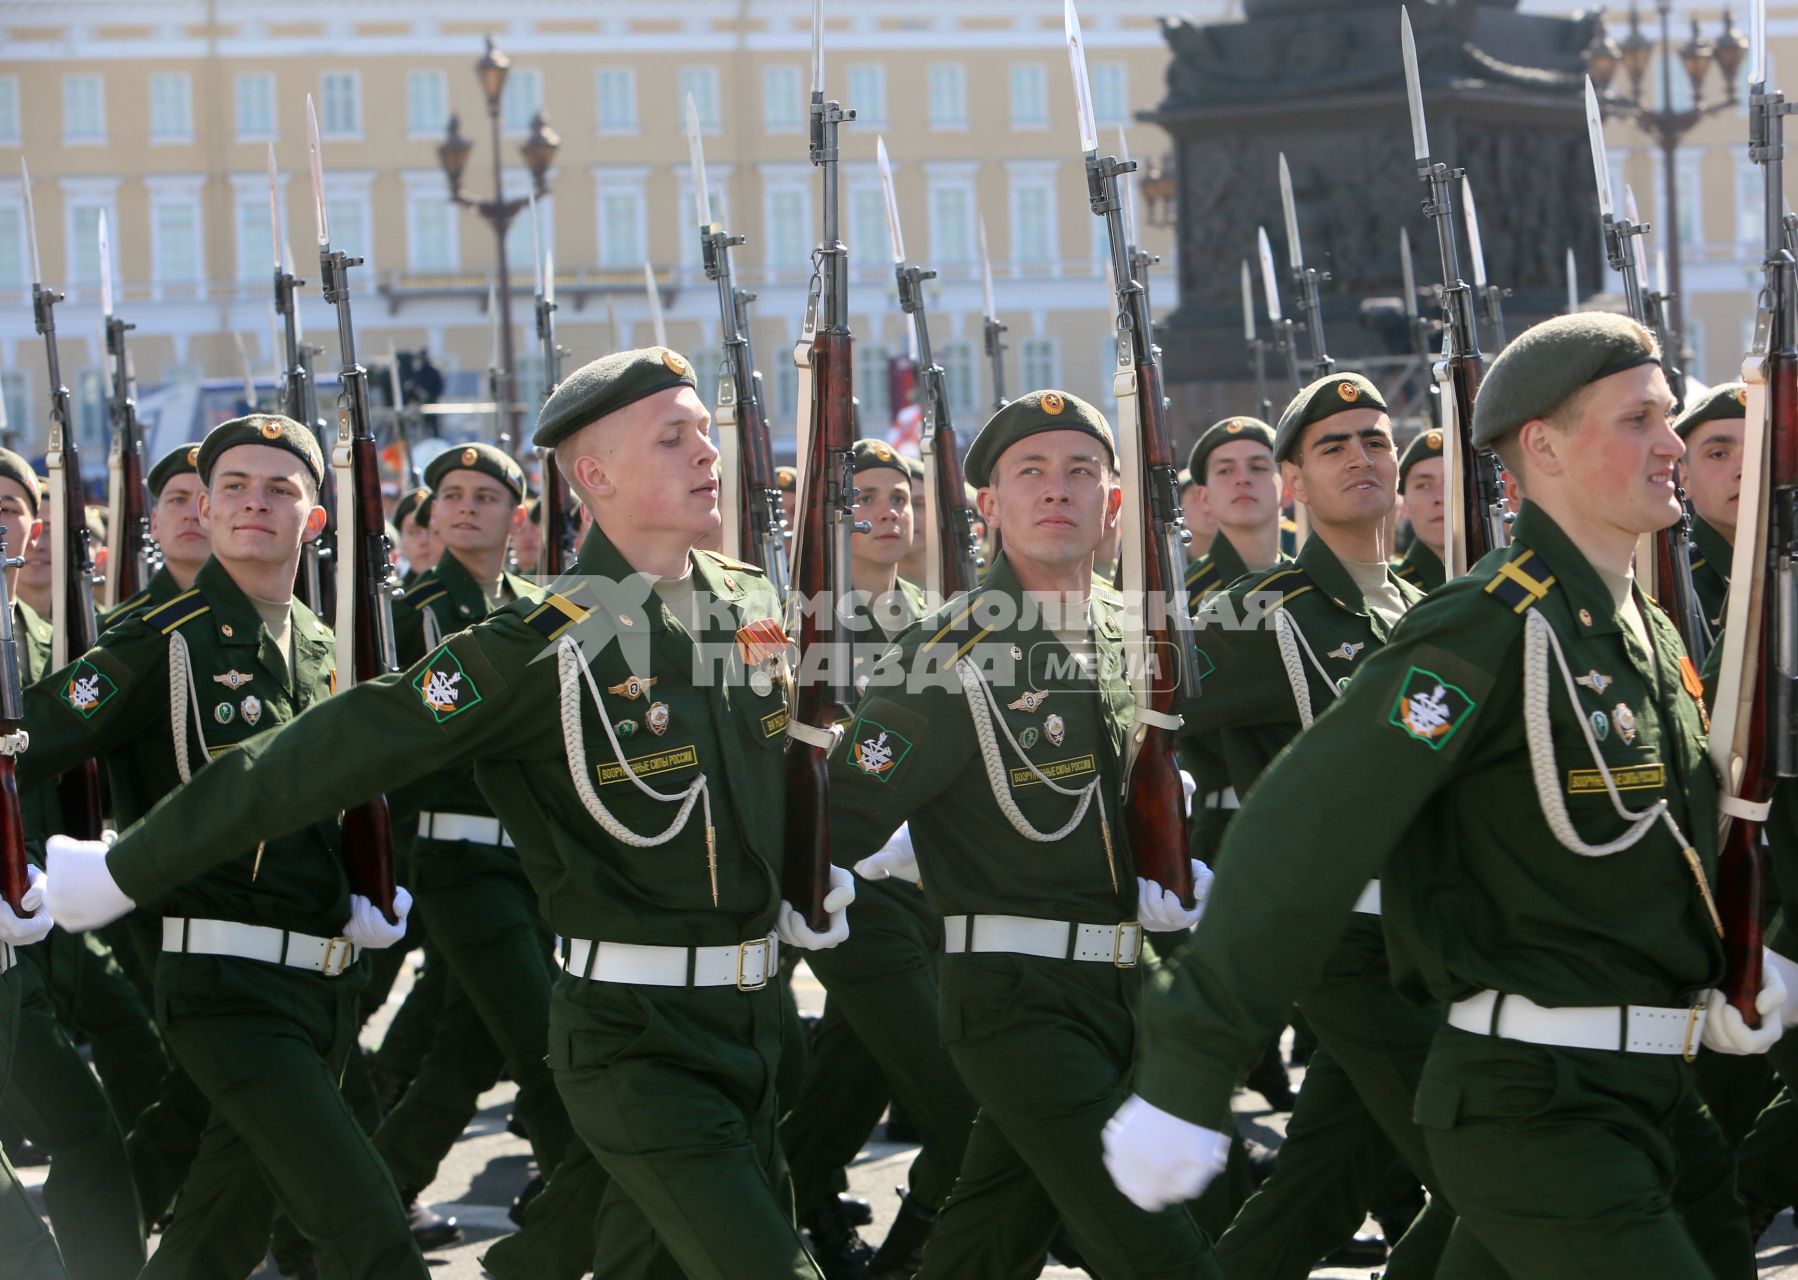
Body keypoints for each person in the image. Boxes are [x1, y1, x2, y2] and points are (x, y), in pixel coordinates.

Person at [47, 351, 854, 1280]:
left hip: (755, 1027)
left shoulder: (747, 600)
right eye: (672, 438)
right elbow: (325, 752)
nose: (706, 454)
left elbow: (789, 761)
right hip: (642, 1041)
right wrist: (124, 867)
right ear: (593, 476)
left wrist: (813, 862)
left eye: (704, 435)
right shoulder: (537, 644)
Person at [1106, 313, 1775, 1279]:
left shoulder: (1648, 639)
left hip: (1657, 1094)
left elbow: (1666, 843)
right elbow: (1309, 828)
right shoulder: (1485, 632)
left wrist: (1743, 955)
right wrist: (1188, 1068)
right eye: (1640, 421)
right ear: (1541, 446)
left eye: (1669, 418)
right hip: (1538, 1102)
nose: (1672, 444)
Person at [827, 389, 1223, 1279]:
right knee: (1162, 1249)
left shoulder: (1130, 629)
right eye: (1031, 473)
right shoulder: (949, 652)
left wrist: (1161, 867)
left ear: (1113, 503)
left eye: (1081, 472)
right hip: (1017, 1000)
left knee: (985, 1242)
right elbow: (842, 810)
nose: (1058, 491)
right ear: (989, 508)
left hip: (1127, 989)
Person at [27, 414, 425, 1280]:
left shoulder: (326, 647)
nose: (256, 504)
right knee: (369, 1231)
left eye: (281, 489)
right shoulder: (159, 636)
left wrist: (375, 886)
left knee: (219, 1237)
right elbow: (27, 744)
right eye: (235, 487)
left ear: (314, 521)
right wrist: (18, 866)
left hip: (321, 991)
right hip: (224, 987)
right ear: (202, 510)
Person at [1181, 375, 1447, 1278]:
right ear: (1293, 482)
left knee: (1316, 1191)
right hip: (1343, 943)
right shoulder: (1266, 615)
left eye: (1375, 440)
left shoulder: (1419, 609)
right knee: (1488, 1162)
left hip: (1429, 935)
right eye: (1332, 446)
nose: (1361, 457)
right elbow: (1125, 698)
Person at [780, 439, 975, 1278]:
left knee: (854, 1075)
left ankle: (804, 1199)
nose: (889, 511)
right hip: (849, 888)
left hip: (929, 888)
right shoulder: (799, 623)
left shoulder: (932, 618)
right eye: (865, 497)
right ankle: (913, 1255)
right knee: (961, 1101)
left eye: (902, 497)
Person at [370, 441, 572, 1245]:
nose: (464, 506)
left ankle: (370, 1198)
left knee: (465, 1049)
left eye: (485, 495)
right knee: (542, 1046)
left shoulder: (540, 610)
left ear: (516, 516)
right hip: (459, 864)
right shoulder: (411, 613)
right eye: (450, 493)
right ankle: (585, 1209)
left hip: (531, 864)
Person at [105, 442, 208, 629]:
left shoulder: (259, 613)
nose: (192, 514)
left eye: (206, 501)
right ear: (154, 522)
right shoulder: (115, 628)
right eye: (178, 499)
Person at [1673, 382, 1745, 644]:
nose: (1744, 469)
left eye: (1762, 449)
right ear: (1684, 476)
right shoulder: (1679, 583)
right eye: (1719, 454)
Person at [1392, 429, 1446, 592]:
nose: (1440, 497)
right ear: (1405, 506)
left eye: (1452, 480)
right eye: (1423, 485)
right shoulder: (1394, 588)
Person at [394, 485, 438, 584]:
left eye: (433, 530)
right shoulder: (392, 598)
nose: (424, 541)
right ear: (401, 543)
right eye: (413, 532)